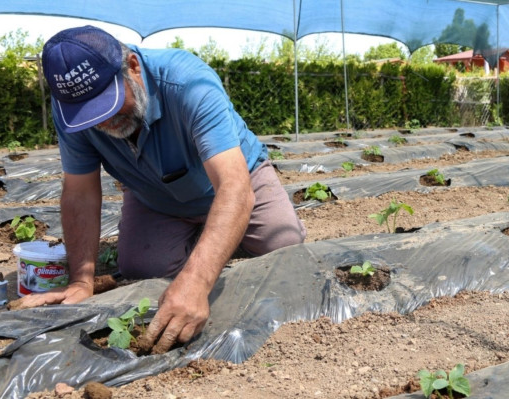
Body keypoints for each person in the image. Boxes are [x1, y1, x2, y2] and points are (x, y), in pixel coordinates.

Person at [16, 25, 306, 353]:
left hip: (235, 181)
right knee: (143, 269)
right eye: (88, 115)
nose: (103, 122)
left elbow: (233, 185)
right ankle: (207, 240)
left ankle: (218, 239)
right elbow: (79, 193)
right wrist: (82, 281)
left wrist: (197, 281)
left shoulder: (188, 82)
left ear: (133, 67)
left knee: (284, 245)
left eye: (107, 104)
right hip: (155, 197)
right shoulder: (71, 114)